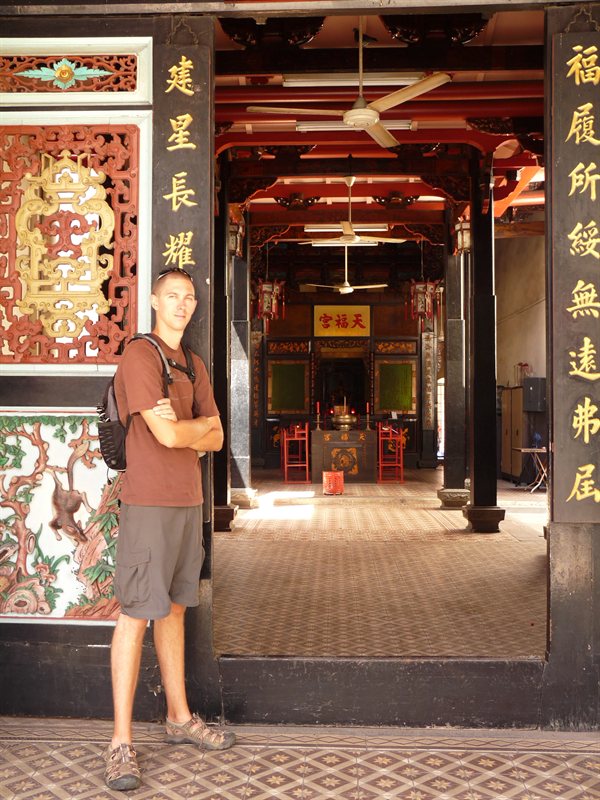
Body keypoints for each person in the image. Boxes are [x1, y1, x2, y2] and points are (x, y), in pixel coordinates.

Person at [104, 266, 235, 792]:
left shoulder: (194, 365)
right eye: (173, 296)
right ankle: (119, 743)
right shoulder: (140, 355)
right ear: (155, 300)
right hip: (150, 503)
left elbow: (219, 437)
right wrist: (192, 430)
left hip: (188, 503)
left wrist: (192, 430)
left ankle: (178, 718)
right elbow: (161, 433)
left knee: (175, 610)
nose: (183, 304)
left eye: (190, 297)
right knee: (137, 615)